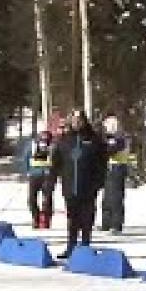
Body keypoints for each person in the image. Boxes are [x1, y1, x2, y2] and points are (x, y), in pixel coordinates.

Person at [51, 109, 108, 258]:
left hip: (88, 187)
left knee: (87, 218)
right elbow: (56, 162)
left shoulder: (94, 140)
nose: (77, 123)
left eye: (79, 120)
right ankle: (71, 247)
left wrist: (98, 182)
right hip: (70, 187)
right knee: (72, 218)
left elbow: (102, 163)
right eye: (74, 121)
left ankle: (85, 246)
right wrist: (53, 179)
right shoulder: (64, 140)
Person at [100, 116, 132, 233]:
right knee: (107, 197)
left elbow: (111, 150)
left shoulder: (120, 138)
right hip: (110, 168)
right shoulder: (110, 138)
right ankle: (106, 223)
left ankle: (116, 224)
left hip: (118, 167)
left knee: (116, 197)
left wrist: (104, 149)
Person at [25, 131, 56, 229]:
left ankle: (46, 219)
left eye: (46, 138)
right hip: (34, 175)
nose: (44, 140)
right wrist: (28, 171)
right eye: (42, 138)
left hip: (48, 176)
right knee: (31, 199)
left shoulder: (53, 147)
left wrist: (54, 172)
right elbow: (26, 158)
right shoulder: (32, 146)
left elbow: (57, 160)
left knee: (47, 199)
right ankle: (36, 217)